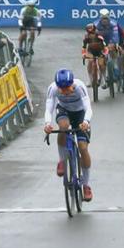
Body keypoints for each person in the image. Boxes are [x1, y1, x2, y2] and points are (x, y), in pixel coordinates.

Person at [43, 69, 94, 202]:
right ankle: (62, 160)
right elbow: (49, 108)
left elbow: (88, 108)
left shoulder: (80, 87)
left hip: (80, 113)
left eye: (67, 88)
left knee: (83, 148)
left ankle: (86, 185)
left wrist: (86, 122)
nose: (65, 92)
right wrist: (47, 124)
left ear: (72, 84)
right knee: (63, 127)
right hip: (64, 110)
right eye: (62, 89)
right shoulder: (53, 88)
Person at [94, 9, 124, 86]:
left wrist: (113, 43)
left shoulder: (114, 24)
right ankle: (103, 77)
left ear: (109, 18)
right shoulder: (96, 25)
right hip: (102, 41)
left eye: (106, 19)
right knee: (101, 59)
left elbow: (115, 36)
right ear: (100, 18)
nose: (105, 20)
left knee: (115, 52)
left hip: (112, 39)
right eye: (103, 19)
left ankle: (117, 68)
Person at [82, 23, 107, 88]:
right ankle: (90, 80)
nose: (91, 33)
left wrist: (105, 53)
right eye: (88, 30)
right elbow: (84, 47)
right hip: (90, 51)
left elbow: (104, 46)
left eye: (91, 29)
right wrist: (84, 54)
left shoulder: (99, 36)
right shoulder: (86, 37)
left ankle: (103, 79)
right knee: (90, 62)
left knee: (101, 64)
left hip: (99, 51)